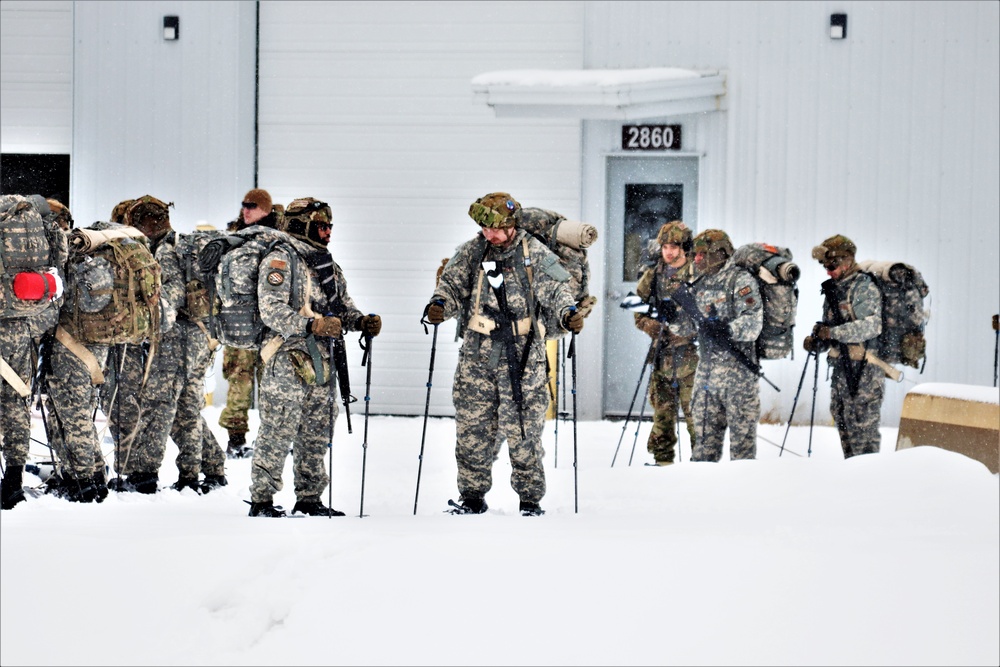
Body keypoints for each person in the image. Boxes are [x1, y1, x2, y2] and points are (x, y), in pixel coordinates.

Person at [423, 192, 583, 516]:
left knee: (524, 431)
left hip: (522, 354)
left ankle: (529, 500)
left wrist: (567, 312)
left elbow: (556, 289)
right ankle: (471, 496)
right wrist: (440, 305)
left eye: (495, 229)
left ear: (512, 225)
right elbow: (452, 286)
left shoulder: (532, 253)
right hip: (477, 353)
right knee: (472, 430)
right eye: (484, 228)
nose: (489, 234)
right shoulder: (473, 251)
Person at [247, 197, 382, 518]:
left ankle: (310, 497)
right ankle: (262, 499)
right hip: (288, 358)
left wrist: (360, 321)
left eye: (330, 226)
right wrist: (312, 324)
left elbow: (342, 308)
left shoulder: (326, 264)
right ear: (303, 225)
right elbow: (271, 310)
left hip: (324, 361)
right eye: (322, 226)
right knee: (278, 429)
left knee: (317, 430)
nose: (328, 233)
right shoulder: (281, 260)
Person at [115, 195, 227, 493]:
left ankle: (144, 473)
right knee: (186, 409)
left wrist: (148, 319)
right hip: (199, 334)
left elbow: (173, 294)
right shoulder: (181, 245)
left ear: (148, 224)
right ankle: (208, 468)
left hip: (177, 337)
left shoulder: (165, 251)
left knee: (158, 404)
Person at [1, 195, 67, 509]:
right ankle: (12, 482)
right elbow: (59, 260)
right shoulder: (34, 221)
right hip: (19, 324)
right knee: (17, 400)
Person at [674, 229, 762, 462]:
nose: (697, 259)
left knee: (742, 448)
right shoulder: (699, 283)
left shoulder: (740, 281)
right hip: (706, 373)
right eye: (696, 254)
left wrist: (728, 329)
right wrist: (671, 317)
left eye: (703, 254)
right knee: (703, 446)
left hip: (738, 374)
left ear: (721, 253)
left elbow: (753, 322)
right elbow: (686, 328)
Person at [804, 234, 884, 458]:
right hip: (841, 367)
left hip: (864, 371)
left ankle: (868, 477)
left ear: (847, 261)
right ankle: (851, 475)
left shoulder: (863, 287)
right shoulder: (833, 289)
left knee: (863, 429)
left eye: (832, 265)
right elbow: (831, 329)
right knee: (843, 421)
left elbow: (872, 326)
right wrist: (819, 340)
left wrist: (833, 332)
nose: (828, 271)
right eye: (825, 266)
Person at [217, 188, 281, 459]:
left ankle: (273, 440)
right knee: (238, 380)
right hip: (239, 323)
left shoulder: (280, 237)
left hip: (270, 324)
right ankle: (236, 439)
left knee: (273, 384)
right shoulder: (233, 236)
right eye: (244, 205)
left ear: (266, 210)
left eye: (252, 206)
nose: (246, 210)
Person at [633, 221, 698, 466]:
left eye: (674, 246)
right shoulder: (654, 275)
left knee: (695, 414)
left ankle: (701, 464)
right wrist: (650, 325)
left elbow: (711, 315)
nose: (668, 252)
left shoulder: (697, 274)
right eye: (665, 247)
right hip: (662, 355)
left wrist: (686, 329)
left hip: (693, 357)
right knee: (662, 412)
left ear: (685, 248)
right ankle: (663, 462)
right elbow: (635, 306)